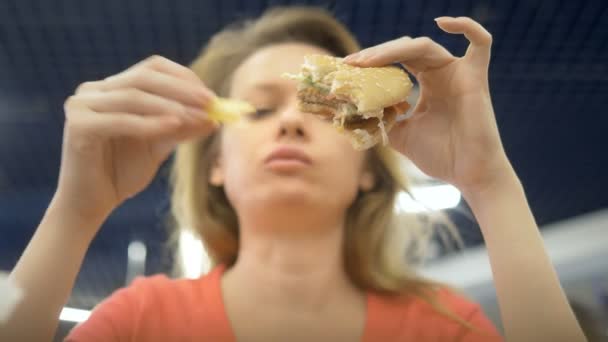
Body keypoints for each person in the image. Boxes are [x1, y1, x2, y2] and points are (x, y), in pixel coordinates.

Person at [0, 6, 585, 342]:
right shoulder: (140, 321)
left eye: (319, 108)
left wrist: (490, 183)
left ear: (367, 170)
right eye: (257, 109)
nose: (289, 125)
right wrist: (74, 215)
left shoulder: (442, 327)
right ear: (216, 166)